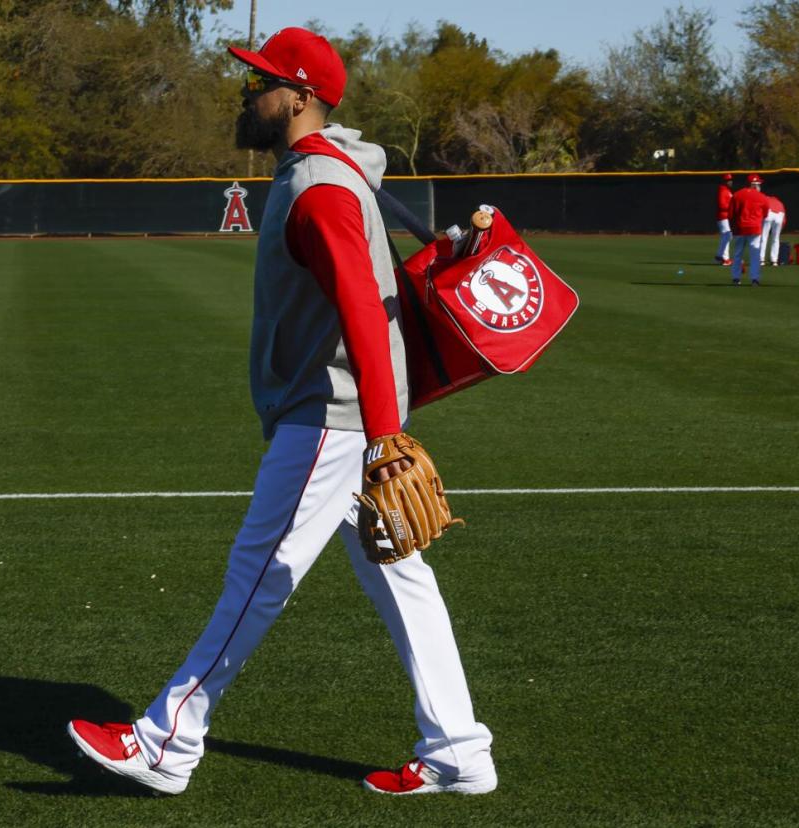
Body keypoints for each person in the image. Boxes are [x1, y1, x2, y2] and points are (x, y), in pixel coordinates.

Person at [65, 27, 497, 798]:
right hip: (343, 411)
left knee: (258, 573)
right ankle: (459, 750)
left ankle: (168, 739)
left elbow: (364, 306)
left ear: (299, 97)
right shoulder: (320, 171)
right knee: (401, 577)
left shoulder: (321, 186)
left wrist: (383, 436)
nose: (247, 92)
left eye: (261, 81)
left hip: (330, 417)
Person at [728, 173, 770, 285]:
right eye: (758, 184)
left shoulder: (737, 195)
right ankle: (755, 279)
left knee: (737, 254)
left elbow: (731, 214)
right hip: (755, 229)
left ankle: (736, 278)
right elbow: (765, 214)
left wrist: (733, 228)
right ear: (754, 185)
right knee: (755, 255)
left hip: (740, 228)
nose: (759, 187)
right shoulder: (762, 197)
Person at [759, 191, 786, 267]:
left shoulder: (765, 199)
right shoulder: (780, 202)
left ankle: (761, 260)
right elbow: (784, 219)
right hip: (780, 215)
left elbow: (761, 210)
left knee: (764, 237)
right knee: (776, 238)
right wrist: (782, 226)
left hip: (769, 213)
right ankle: (774, 261)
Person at [715, 173, 734, 265]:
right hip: (723, 217)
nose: (730, 181)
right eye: (728, 180)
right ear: (725, 182)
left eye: (730, 180)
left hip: (726, 217)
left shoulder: (727, 190)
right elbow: (722, 205)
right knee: (727, 236)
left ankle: (719, 256)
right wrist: (732, 207)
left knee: (726, 236)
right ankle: (725, 258)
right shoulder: (723, 190)